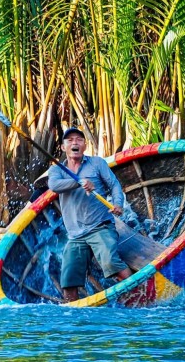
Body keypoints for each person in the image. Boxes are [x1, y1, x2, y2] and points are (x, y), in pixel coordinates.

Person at [47, 127, 132, 302]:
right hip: (75, 235)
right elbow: (54, 186)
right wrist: (79, 182)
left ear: (85, 145)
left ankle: (139, 296)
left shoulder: (97, 163)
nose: (74, 143)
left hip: (100, 226)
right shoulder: (57, 170)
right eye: (70, 140)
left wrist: (117, 203)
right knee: (68, 282)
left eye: (79, 139)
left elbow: (115, 185)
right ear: (63, 148)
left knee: (110, 262)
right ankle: (75, 319)